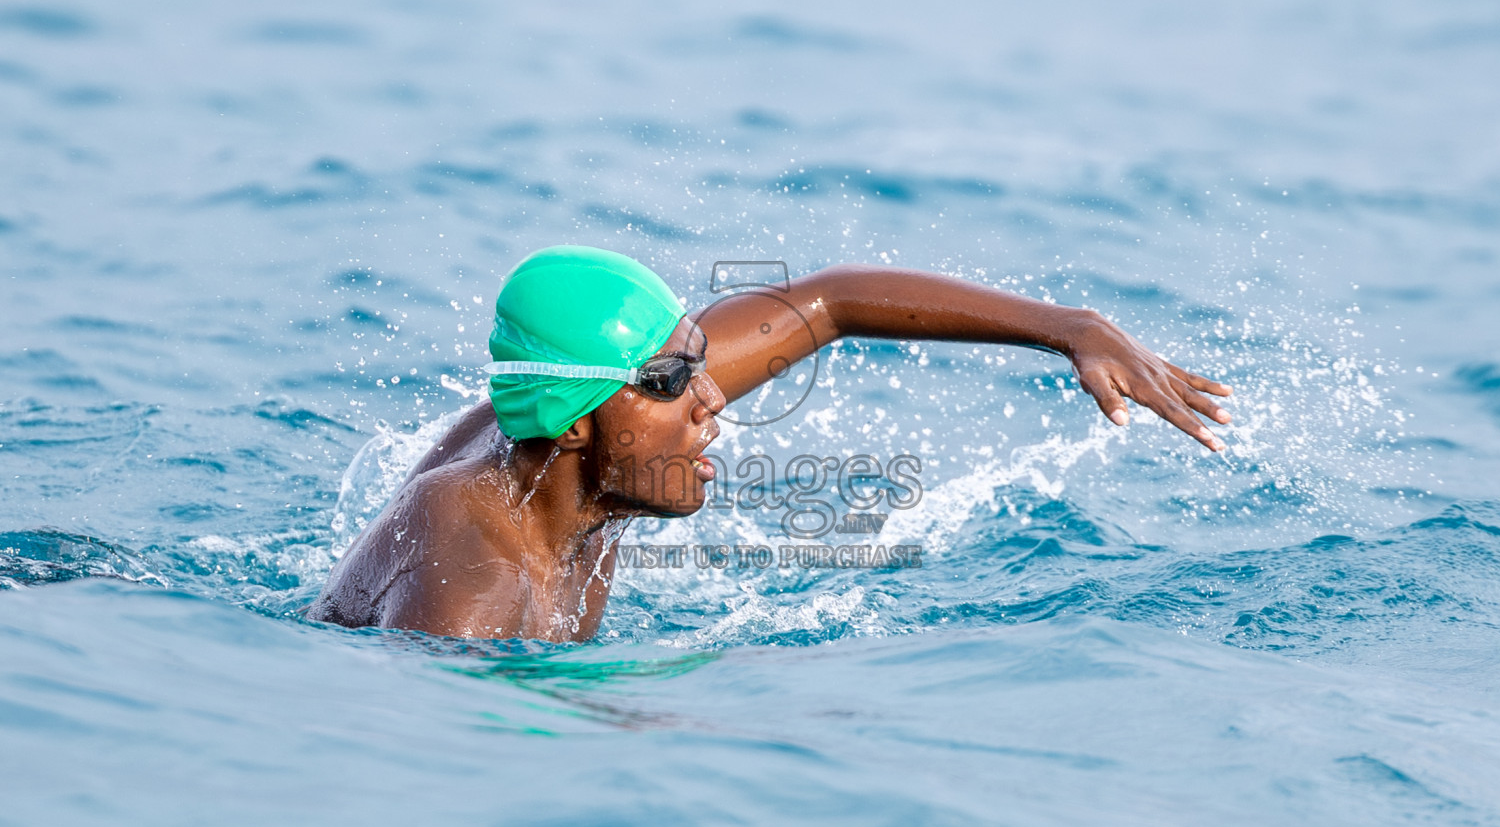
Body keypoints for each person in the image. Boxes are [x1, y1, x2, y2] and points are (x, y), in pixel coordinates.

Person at [310, 246, 1232, 641]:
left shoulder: (575, 458)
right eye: (672, 382)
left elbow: (826, 305)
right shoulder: (469, 594)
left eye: (699, 360)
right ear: (579, 419)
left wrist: (1070, 327)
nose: (710, 396)